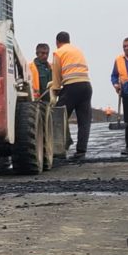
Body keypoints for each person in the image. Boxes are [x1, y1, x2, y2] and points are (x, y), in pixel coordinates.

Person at [51, 31, 91, 161]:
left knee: (58, 118)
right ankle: (81, 151)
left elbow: (56, 73)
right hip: (86, 85)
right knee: (84, 121)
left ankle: (57, 150)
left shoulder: (59, 52)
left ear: (57, 42)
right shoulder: (77, 51)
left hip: (71, 87)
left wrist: (56, 89)